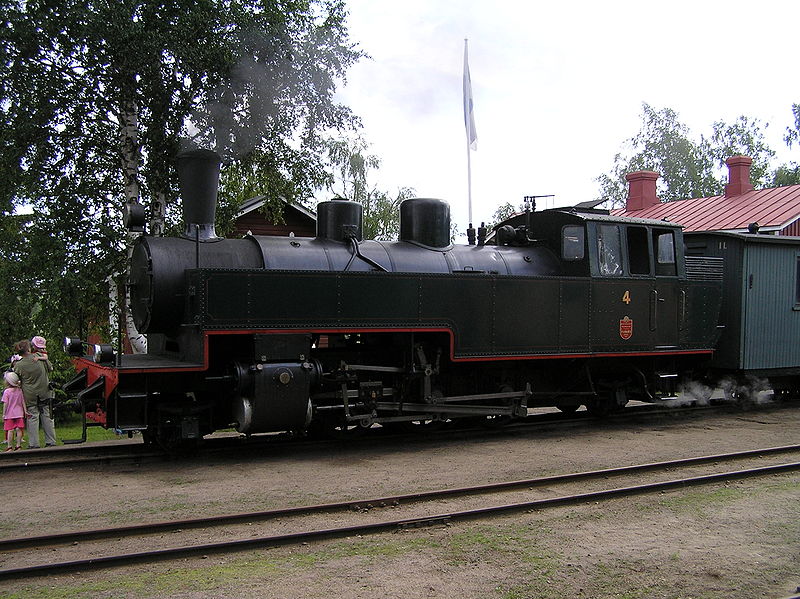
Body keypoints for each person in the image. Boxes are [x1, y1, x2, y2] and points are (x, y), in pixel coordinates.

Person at [11, 338, 57, 448]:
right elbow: (50, 368)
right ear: (29, 348)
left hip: (30, 395)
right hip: (45, 391)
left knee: (32, 417)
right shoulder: (39, 357)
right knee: (47, 415)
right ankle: (50, 441)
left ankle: (34, 444)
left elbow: (15, 378)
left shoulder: (19, 365)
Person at [3, 371, 28, 451]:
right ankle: (18, 445)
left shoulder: (7, 392)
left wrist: (4, 413)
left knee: (10, 430)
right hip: (19, 413)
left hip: (9, 414)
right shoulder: (19, 390)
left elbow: (5, 404)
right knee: (19, 429)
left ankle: (9, 446)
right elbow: (23, 401)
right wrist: (25, 411)